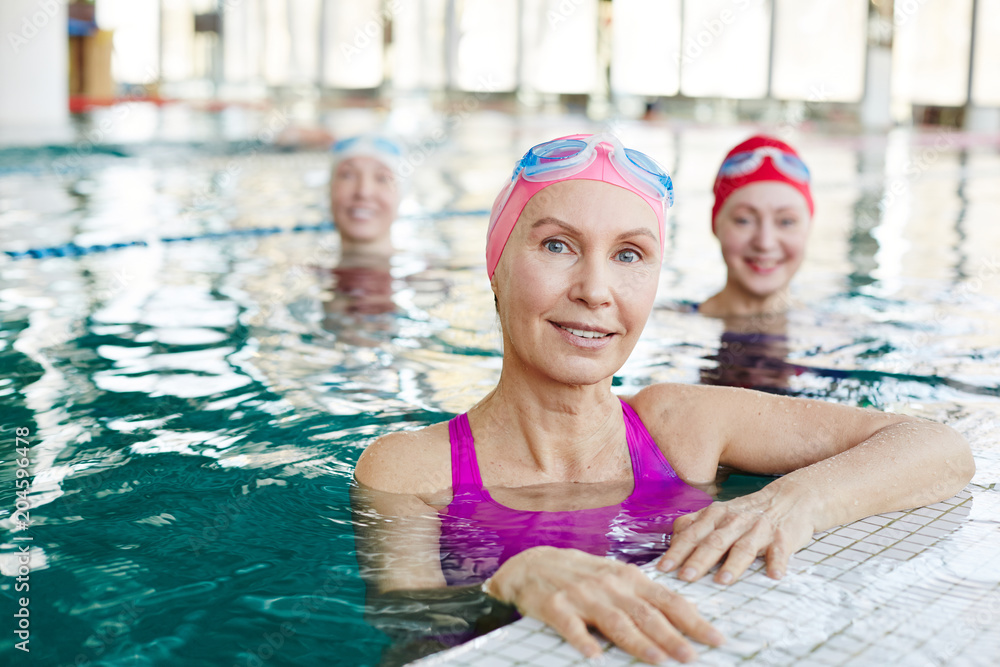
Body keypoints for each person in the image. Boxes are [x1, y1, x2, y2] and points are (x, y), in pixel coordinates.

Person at [352, 134, 973, 665]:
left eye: (629, 255)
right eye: (557, 245)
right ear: (497, 262)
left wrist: (789, 503)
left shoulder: (683, 425)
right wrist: (506, 581)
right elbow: (407, 627)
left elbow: (937, 447)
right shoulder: (411, 468)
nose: (596, 290)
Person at [697, 135, 814, 318]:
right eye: (744, 220)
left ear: (808, 228)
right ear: (715, 224)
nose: (765, 243)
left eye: (786, 222)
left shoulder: (841, 332)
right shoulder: (667, 328)